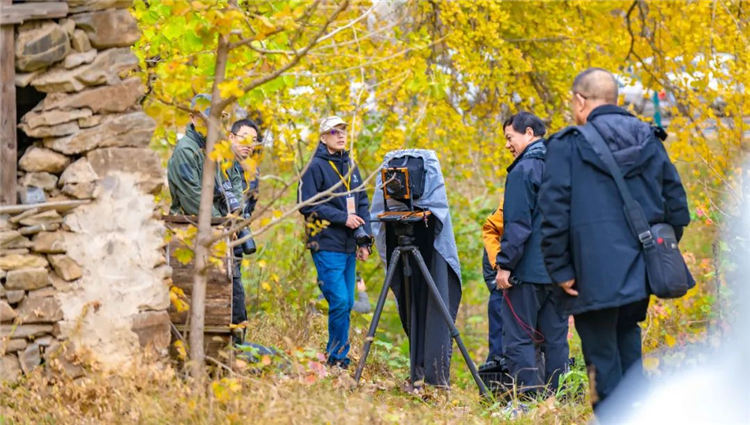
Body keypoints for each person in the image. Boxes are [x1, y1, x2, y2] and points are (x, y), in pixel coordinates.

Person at [538, 68, 690, 413]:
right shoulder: (649, 138)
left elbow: (553, 212)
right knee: (628, 342)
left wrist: (560, 268)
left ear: (580, 100)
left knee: (601, 359)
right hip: (641, 268)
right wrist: (658, 248)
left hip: (590, 272)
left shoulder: (568, 146)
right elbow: (677, 206)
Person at [495, 111, 569, 398]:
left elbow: (517, 225)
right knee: (556, 340)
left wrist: (504, 266)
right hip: (559, 271)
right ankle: (559, 401)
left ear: (528, 132)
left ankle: (527, 401)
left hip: (527, 272)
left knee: (519, 338)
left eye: (509, 137)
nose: (507, 145)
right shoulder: (562, 168)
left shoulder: (523, 170)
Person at [298, 116, 372, 369]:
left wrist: (365, 241)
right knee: (339, 301)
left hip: (350, 245)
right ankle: (337, 358)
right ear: (322, 137)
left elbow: (362, 203)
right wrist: (343, 218)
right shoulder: (314, 166)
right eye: (334, 131)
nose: (340, 136)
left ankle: (338, 356)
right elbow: (307, 205)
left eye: (343, 131)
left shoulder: (351, 164)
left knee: (348, 303)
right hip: (325, 244)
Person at [167, 94, 240, 217]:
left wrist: (237, 216)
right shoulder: (185, 151)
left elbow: (236, 181)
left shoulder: (221, 147)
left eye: (218, 117)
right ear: (193, 118)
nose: (213, 123)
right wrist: (222, 222)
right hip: (191, 225)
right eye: (207, 118)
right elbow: (191, 197)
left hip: (226, 221)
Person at [226, 118, 262, 326]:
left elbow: (251, 205)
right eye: (245, 138)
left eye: (254, 140)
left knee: (236, 294)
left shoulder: (252, 171)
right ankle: (236, 350)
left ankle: (238, 350)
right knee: (231, 297)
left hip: (239, 239)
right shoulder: (220, 164)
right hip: (221, 238)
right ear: (231, 137)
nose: (249, 144)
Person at [481, 207, 505, 367]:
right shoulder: (502, 213)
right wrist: (493, 281)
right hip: (499, 281)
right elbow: (490, 238)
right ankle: (496, 358)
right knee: (497, 305)